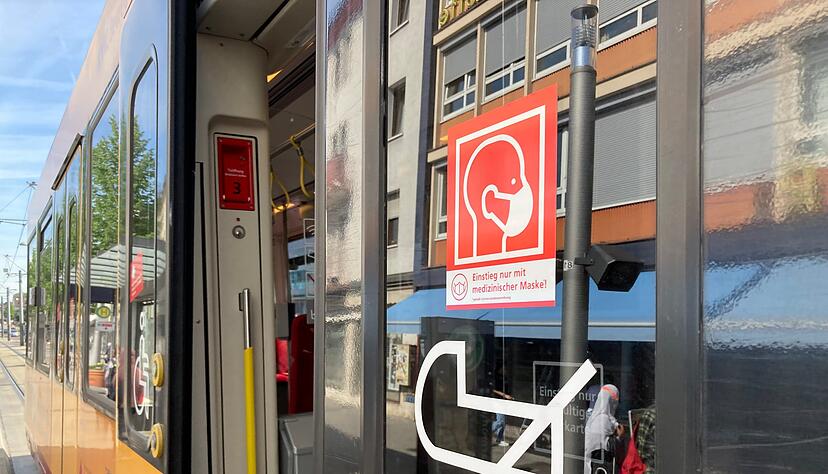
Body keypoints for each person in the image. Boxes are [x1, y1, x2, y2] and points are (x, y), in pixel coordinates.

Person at [584, 384, 624, 474]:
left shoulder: (597, 417)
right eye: (615, 400)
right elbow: (605, 447)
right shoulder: (602, 420)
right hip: (597, 467)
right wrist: (619, 438)